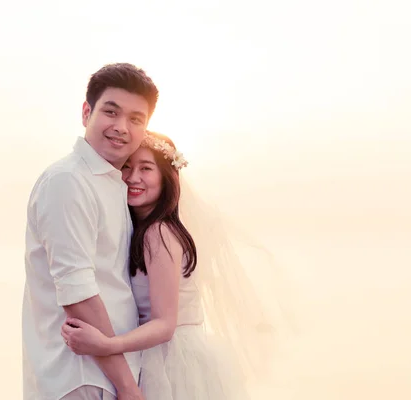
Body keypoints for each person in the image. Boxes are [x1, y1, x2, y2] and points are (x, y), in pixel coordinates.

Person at [60, 131, 284, 399]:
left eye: (146, 168)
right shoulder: (143, 230)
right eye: (127, 167)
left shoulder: (159, 233)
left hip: (173, 361)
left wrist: (106, 344)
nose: (133, 177)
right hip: (158, 354)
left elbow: (165, 324)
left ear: (167, 177)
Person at [22, 63, 159, 400]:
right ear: (87, 113)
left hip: (104, 374)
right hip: (81, 375)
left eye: (135, 119)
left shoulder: (111, 184)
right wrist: (127, 386)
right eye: (110, 112)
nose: (121, 127)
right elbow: (77, 292)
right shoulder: (68, 181)